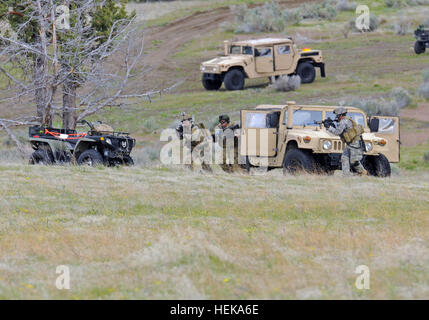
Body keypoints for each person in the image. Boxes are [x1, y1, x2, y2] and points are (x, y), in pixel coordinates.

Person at [326, 107, 368, 176]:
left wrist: (329, 127)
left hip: (354, 143)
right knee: (344, 158)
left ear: (341, 115)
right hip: (350, 143)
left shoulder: (344, 121)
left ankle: (362, 171)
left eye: (337, 115)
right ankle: (346, 175)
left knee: (353, 161)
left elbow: (337, 132)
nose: (337, 117)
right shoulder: (345, 120)